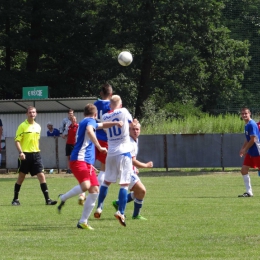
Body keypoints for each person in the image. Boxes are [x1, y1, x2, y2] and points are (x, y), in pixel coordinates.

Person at [57, 103, 123, 230]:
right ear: (95, 114)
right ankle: (63, 197)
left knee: (94, 191)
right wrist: (99, 146)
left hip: (86, 163)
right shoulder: (90, 122)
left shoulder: (86, 121)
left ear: (83, 113)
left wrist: (115, 123)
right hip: (79, 160)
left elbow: (102, 125)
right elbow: (90, 130)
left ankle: (83, 221)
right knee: (86, 186)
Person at [94, 95, 133, 227]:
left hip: (111, 152)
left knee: (106, 181)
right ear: (120, 104)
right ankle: (120, 211)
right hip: (124, 152)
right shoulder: (124, 111)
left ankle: (99, 207)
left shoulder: (105, 116)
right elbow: (130, 122)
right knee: (124, 184)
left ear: (110, 105)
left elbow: (105, 129)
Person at [11, 106, 57, 206]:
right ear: (26, 114)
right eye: (30, 112)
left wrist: (36, 150)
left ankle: (48, 200)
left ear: (36, 114)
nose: (32, 114)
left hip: (36, 154)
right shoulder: (22, 126)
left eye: (33, 112)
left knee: (41, 175)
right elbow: (17, 140)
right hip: (25, 155)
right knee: (21, 177)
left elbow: (37, 141)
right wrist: (21, 152)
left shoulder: (38, 127)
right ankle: (15, 199)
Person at [78, 83, 113, 205]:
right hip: (105, 140)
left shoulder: (95, 104)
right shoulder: (112, 105)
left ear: (100, 93)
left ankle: (82, 192)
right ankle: (94, 194)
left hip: (93, 139)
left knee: (88, 167)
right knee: (104, 168)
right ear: (111, 94)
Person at [112, 120, 153, 220]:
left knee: (139, 192)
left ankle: (118, 203)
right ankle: (135, 215)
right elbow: (133, 160)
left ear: (140, 130)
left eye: (137, 129)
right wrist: (146, 165)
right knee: (142, 190)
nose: (135, 131)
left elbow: (129, 159)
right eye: (133, 129)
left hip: (128, 169)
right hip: (125, 170)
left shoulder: (135, 140)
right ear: (129, 130)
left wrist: (134, 169)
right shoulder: (129, 142)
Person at [238, 107, 260, 197]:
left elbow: (253, 140)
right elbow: (248, 139)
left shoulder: (252, 124)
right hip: (251, 152)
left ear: (249, 113)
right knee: (244, 170)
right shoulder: (247, 125)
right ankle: (249, 192)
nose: (244, 115)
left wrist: (245, 149)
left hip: (258, 152)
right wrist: (243, 148)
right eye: (242, 113)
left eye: (245, 113)